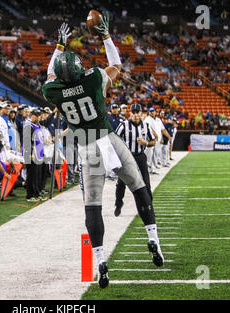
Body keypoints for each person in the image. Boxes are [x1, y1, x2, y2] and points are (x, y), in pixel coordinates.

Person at [42, 18, 164, 289]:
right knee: (138, 185)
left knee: (93, 203)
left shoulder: (53, 91)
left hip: (86, 145)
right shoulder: (94, 79)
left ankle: (99, 258)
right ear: (79, 70)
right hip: (108, 139)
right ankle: (153, 237)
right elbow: (117, 65)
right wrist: (106, 35)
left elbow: (50, 73)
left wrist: (59, 46)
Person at [114, 103, 156, 216]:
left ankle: (149, 207)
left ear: (141, 113)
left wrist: (145, 142)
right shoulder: (124, 125)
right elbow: (114, 139)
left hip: (140, 156)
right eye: (134, 112)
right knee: (121, 183)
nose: (136, 115)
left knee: (146, 183)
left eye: (138, 112)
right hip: (127, 158)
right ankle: (118, 204)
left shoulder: (146, 126)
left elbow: (153, 141)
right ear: (130, 113)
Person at [143, 107, 159, 174]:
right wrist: (155, 135)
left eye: (153, 111)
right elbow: (149, 128)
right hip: (150, 139)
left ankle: (153, 168)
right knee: (149, 155)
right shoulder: (148, 119)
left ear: (155, 112)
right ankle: (149, 169)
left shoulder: (157, 119)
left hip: (155, 139)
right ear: (149, 112)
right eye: (151, 111)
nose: (152, 112)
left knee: (154, 154)